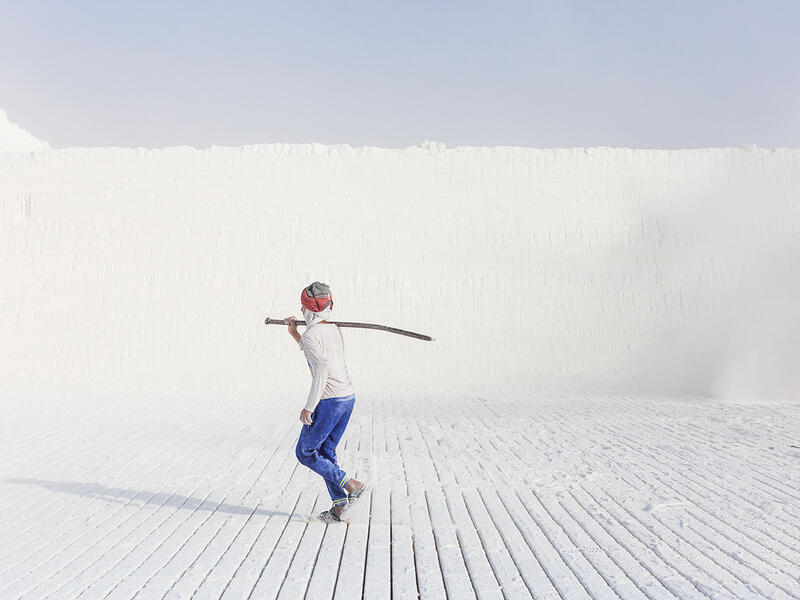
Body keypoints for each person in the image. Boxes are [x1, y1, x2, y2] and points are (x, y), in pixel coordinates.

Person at [286, 281, 367, 522]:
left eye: (303, 307)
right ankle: (340, 505)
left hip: (329, 401)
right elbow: (318, 352)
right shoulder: (332, 329)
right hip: (347, 398)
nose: (301, 311)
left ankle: (352, 485)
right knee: (325, 452)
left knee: (306, 452)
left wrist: (309, 407)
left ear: (309, 309)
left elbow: (320, 367)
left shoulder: (313, 334)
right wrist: (295, 334)